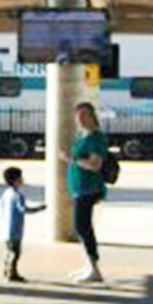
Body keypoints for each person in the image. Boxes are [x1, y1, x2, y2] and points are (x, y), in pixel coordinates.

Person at [60, 101, 108, 283]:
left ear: (92, 116)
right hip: (79, 187)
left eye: (84, 115)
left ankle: (94, 268)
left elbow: (95, 165)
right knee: (82, 227)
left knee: (82, 227)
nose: (79, 119)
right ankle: (89, 264)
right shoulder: (83, 136)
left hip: (88, 188)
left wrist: (71, 158)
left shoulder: (95, 138)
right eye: (77, 116)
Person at [0, 166, 45, 283]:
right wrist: (40, 208)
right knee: (15, 252)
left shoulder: (6, 194)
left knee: (9, 250)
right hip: (15, 228)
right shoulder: (18, 196)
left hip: (6, 227)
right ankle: (12, 273)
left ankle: (6, 270)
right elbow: (24, 210)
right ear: (16, 180)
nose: (23, 180)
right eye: (21, 178)